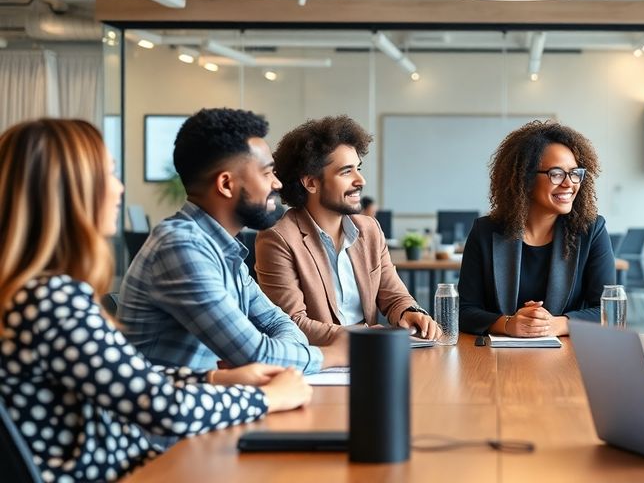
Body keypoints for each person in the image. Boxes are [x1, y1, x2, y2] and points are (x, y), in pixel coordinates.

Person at [0, 119, 312, 482]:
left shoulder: (33, 294)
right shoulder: (54, 300)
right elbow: (163, 408)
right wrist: (270, 399)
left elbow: (126, 379)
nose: (119, 189)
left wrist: (213, 379)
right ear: (68, 193)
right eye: (109, 175)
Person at [118, 108, 347, 374]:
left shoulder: (226, 252)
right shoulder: (180, 247)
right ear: (226, 185)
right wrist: (335, 354)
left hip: (215, 403)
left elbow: (280, 325)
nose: (278, 184)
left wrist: (264, 360)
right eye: (266, 173)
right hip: (168, 411)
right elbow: (256, 353)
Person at [255, 116, 440, 345]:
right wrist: (362, 335)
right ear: (311, 183)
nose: (360, 180)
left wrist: (409, 312)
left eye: (358, 169)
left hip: (369, 357)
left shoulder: (369, 229)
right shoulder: (278, 238)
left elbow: (394, 295)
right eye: (346, 172)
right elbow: (291, 322)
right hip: (319, 364)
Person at [458, 121, 615, 337]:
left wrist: (555, 324)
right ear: (526, 178)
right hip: (496, 361)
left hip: (568, 359)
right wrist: (507, 323)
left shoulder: (591, 230)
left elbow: (609, 310)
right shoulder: (485, 232)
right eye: (557, 174)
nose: (569, 183)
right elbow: (464, 311)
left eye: (575, 173)